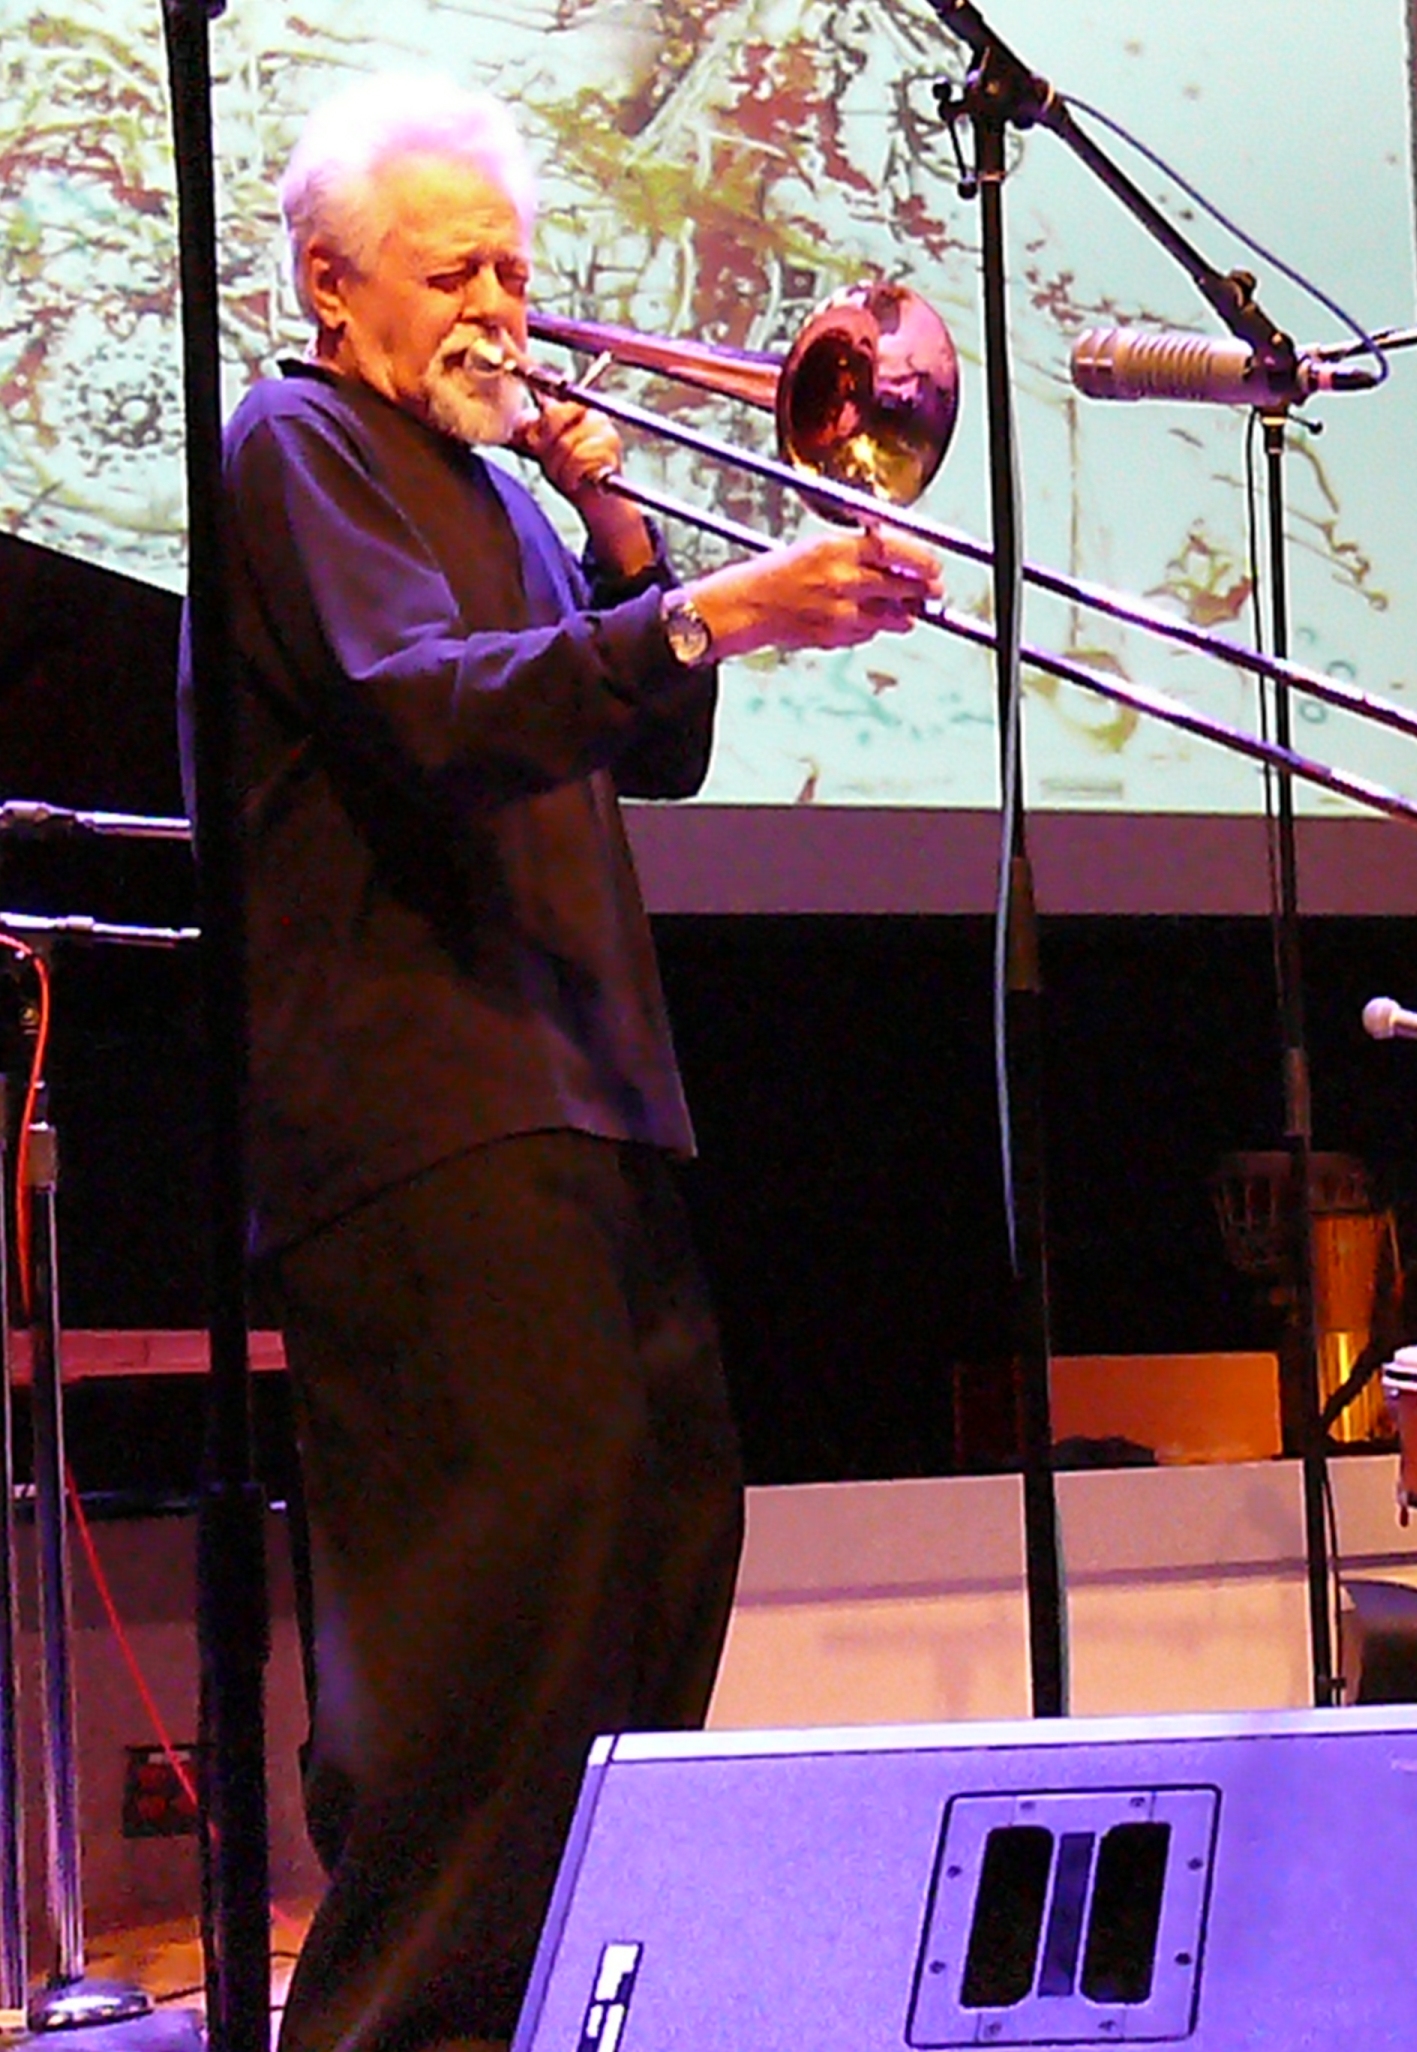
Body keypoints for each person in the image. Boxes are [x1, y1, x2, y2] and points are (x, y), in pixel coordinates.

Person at [182, 73, 943, 2052]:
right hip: (426, 1124)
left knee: (658, 1567)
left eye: (518, 265)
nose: (504, 303)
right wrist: (704, 608)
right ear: (332, 289)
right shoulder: (296, 446)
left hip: (589, 1102)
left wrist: (617, 528)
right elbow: (427, 716)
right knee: (483, 1666)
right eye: (456, 271)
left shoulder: (509, 495)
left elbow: (650, 749)